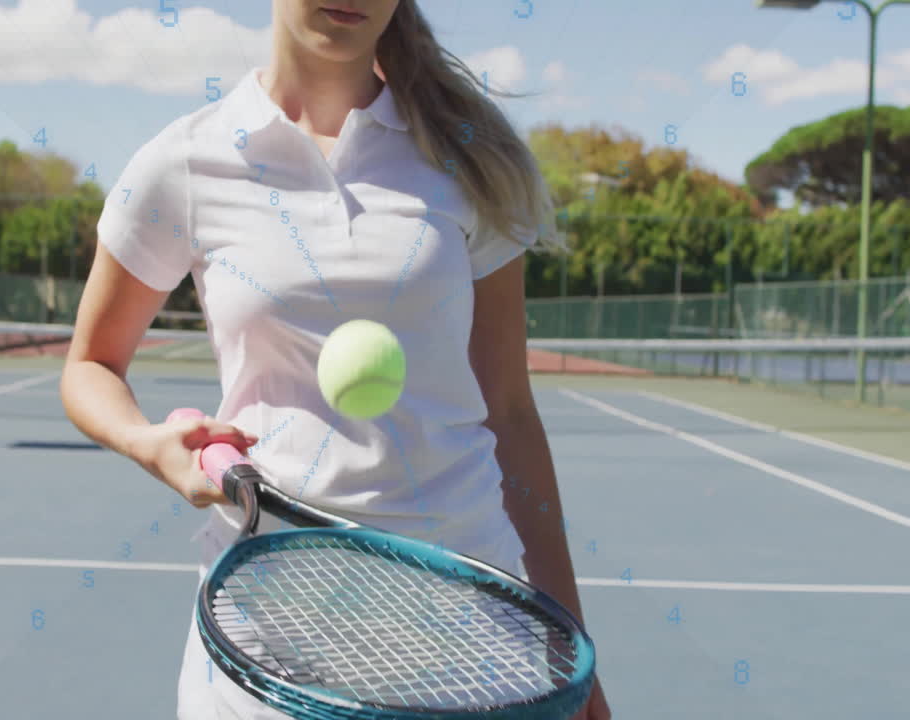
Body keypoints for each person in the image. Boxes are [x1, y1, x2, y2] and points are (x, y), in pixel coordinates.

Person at [59, 1, 611, 717]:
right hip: (266, 635)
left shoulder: (469, 155)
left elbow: (509, 412)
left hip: (469, 627)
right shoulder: (184, 161)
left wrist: (569, 644)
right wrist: (151, 446)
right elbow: (90, 365)